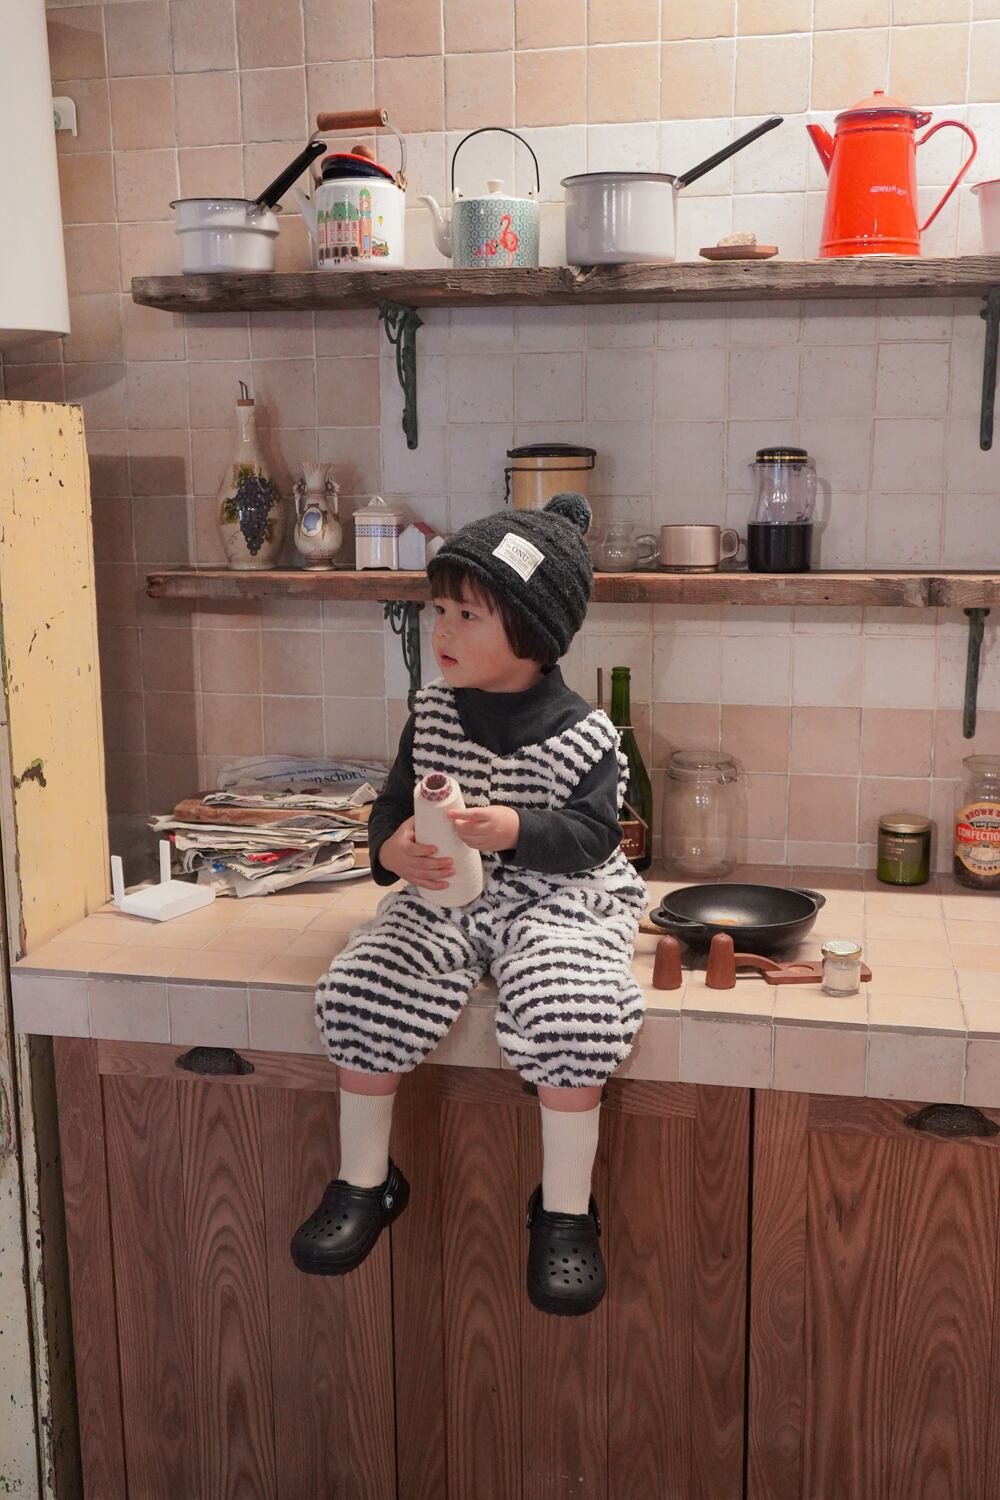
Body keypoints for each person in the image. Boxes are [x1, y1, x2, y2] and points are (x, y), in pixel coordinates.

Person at [290, 494, 646, 1316]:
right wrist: (392, 852)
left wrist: (517, 828)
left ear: (535, 629)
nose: (441, 630)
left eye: (467, 614)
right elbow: (389, 810)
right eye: (437, 609)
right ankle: (365, 1180)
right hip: (444, 897)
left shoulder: (586, 734)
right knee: (361, 987)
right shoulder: (432, 715)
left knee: (575, 1014)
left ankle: (565, 1208)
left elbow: (597, 836)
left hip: (556, 903)